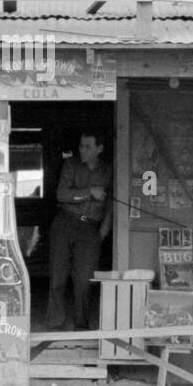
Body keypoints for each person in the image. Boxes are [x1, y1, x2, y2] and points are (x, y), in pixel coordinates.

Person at [47, 131, 111, 331]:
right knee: (58, 275)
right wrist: (89, 192)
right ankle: (55, 322)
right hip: (65, 222)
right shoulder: (71, 165)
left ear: (99, 149)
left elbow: (111, 202)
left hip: (90, 228)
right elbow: (61, 194)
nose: (82, 150)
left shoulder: (108, 170)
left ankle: (81, 324)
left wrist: (105, 228)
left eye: (87, 146)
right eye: (81, 145)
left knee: (84, 279)